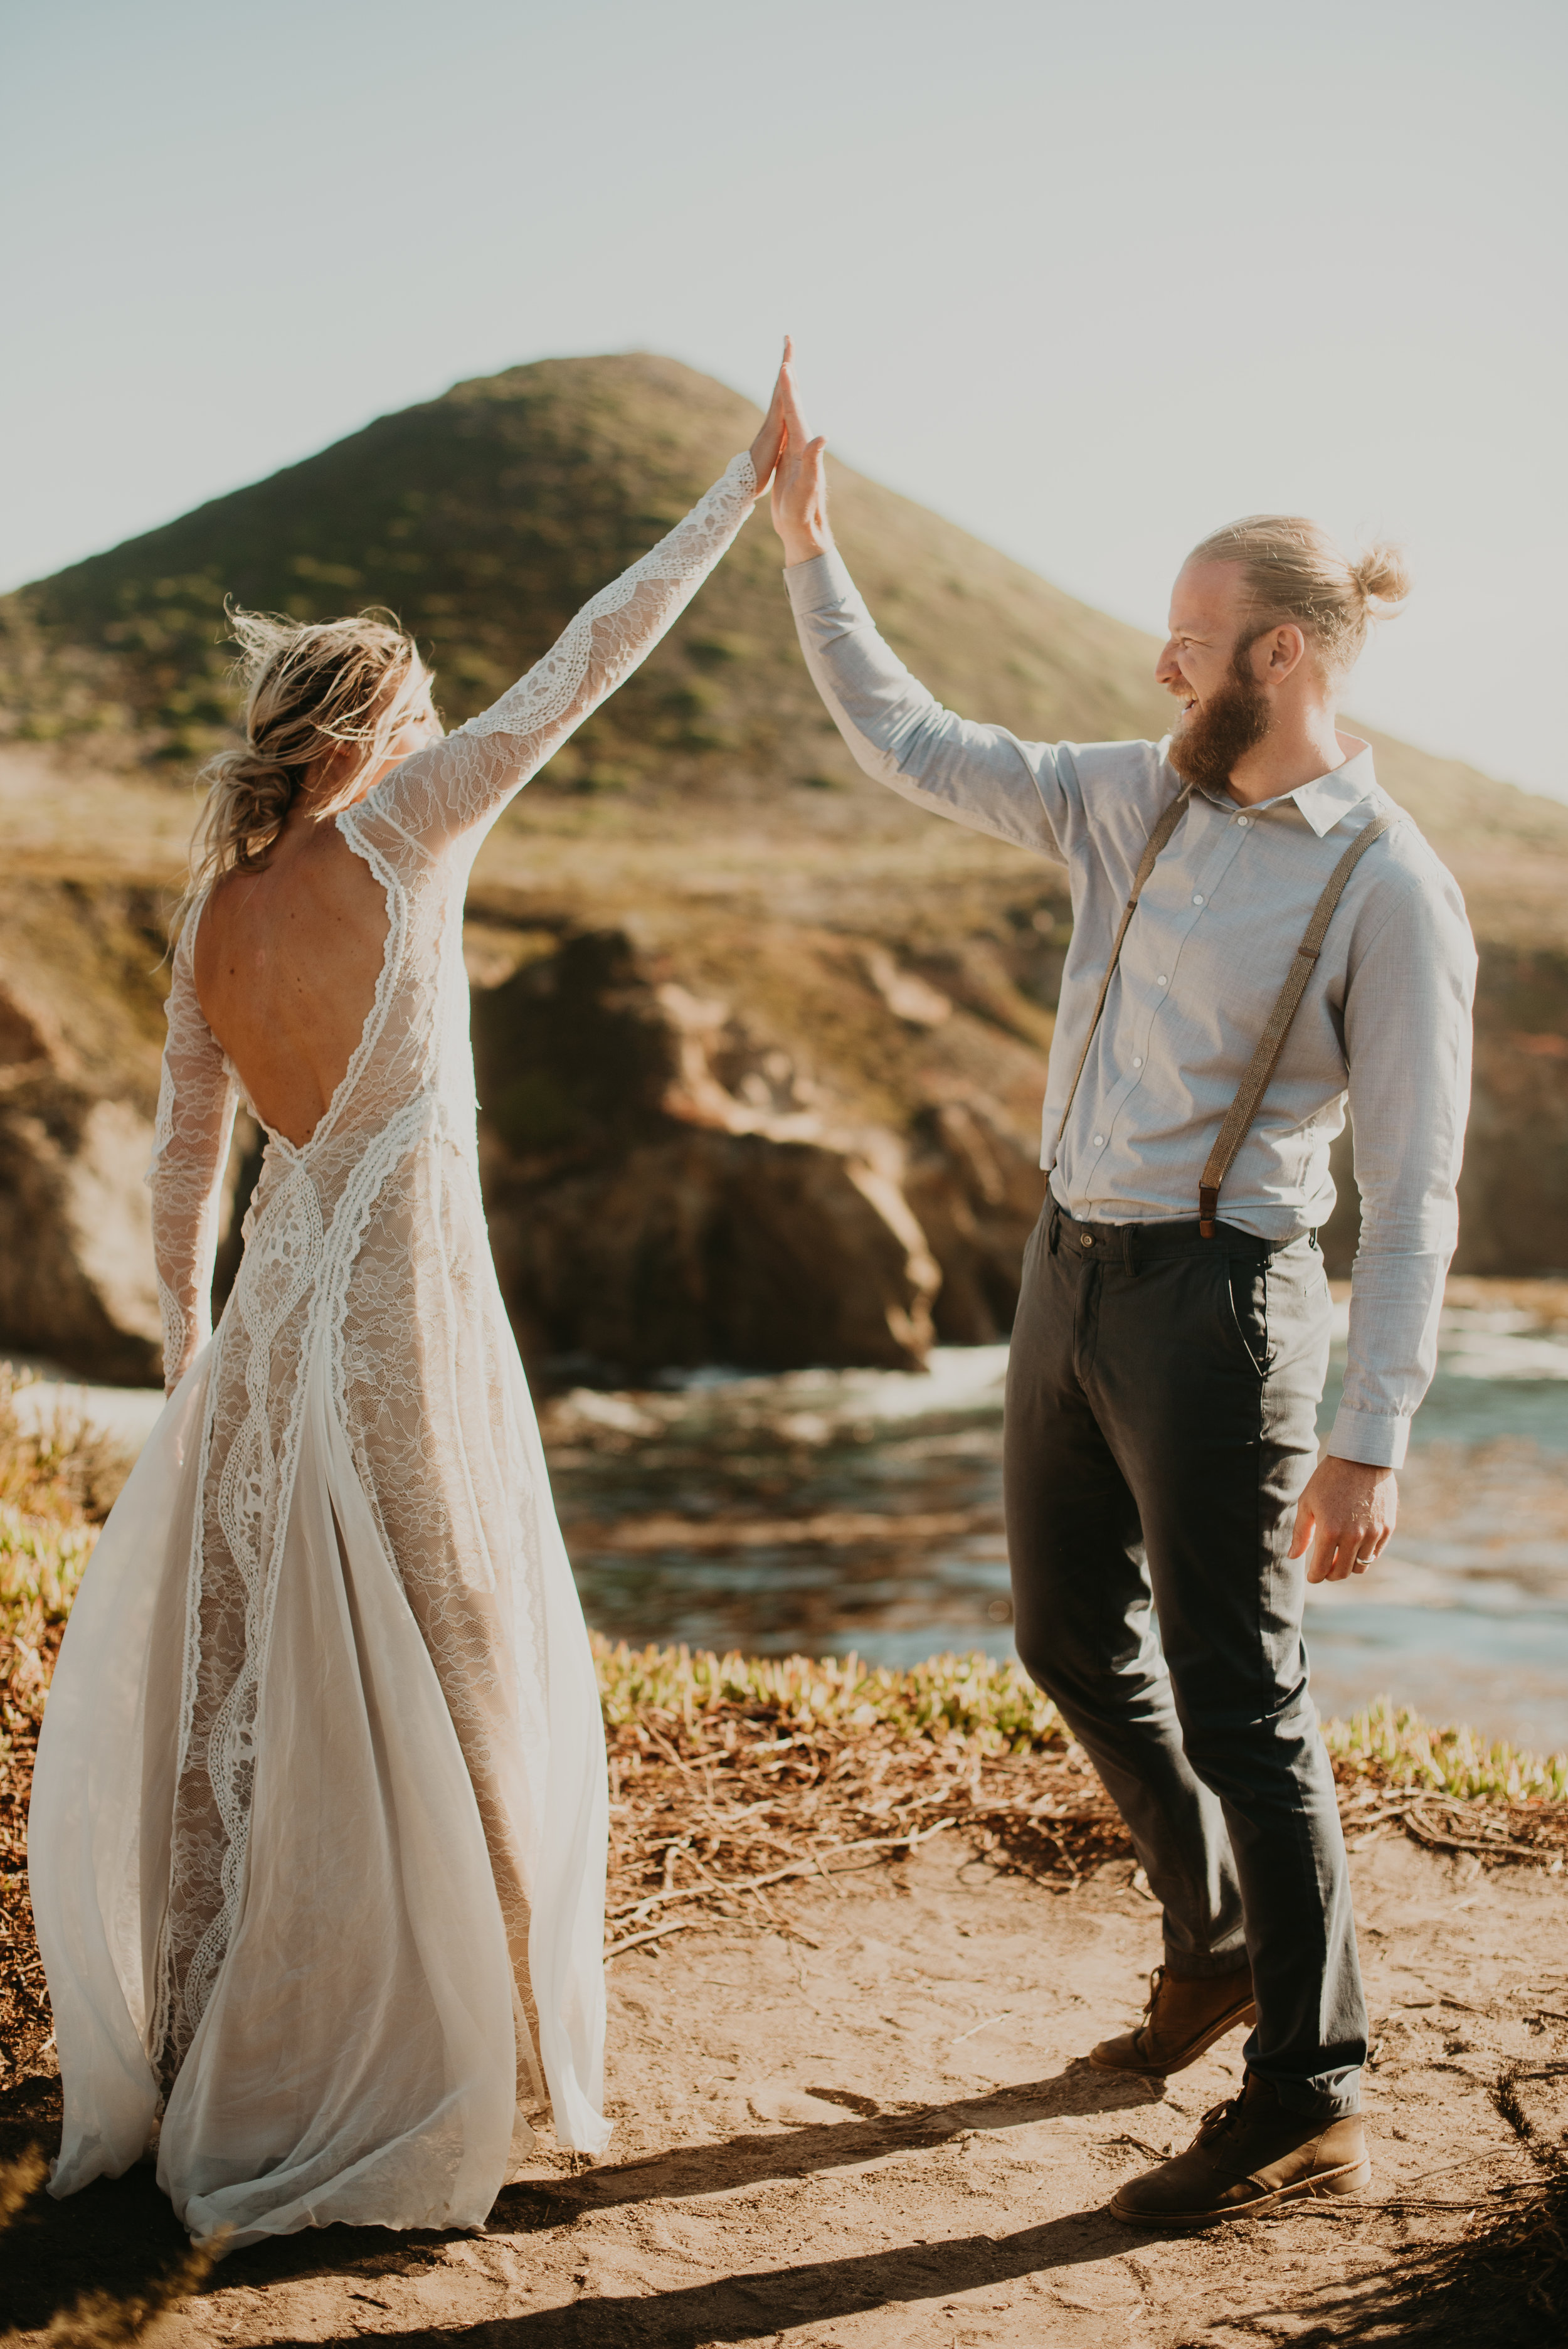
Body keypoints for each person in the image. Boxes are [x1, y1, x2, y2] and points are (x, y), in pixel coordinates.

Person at [28, 359, 788, 2249]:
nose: (448, 724)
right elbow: (589, 656)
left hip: (280, 1312)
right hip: (401, 1313)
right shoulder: (411, 824)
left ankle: (229, 2030)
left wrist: (196, 1345)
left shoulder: (217, 912)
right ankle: (476, 2053)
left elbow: (179, 1172)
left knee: (261, 1669)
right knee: (453, 1649)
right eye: (423, 708)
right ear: (374, 729)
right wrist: (735, 489)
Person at [766, 355, 1475, 2226]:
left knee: (1246, 1697)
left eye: (1191, 638)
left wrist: (1368, 1440)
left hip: (1225, 1313)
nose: (1159, 665)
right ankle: (1216, 1930)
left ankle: (1310, 2081)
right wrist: (807, 547)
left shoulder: (1390, 892)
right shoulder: (1120, 800)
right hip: (1063, 1271)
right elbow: (906, 738)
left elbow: (1412, 1197)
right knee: (1066, 1638)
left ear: (1282, 658)